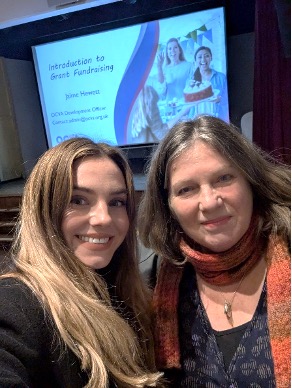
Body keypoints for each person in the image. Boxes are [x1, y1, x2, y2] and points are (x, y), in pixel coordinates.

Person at [138, 116, 291, 386]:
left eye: (223, 178)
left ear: (250, 181)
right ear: (168, 205)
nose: (209, 202)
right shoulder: (155, 283)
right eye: (186, 189)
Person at [0, 137, 164, 387]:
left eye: (116, 202)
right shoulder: (16, 303)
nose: (103, 218)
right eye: (78, 200)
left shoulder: (125, 294)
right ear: (44, 209)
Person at [188, 46, 229, 121]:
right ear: (195, 60)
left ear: (211, 58)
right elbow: (187, 102)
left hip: (217, 119)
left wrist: (220, 99)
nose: (203, 59)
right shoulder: (191, 79)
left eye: (206, 56)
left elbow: (227, 99)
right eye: (199, 57)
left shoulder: (221, 77)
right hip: (196, 120)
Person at [156, 38, 192, 102]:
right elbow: (162, 92)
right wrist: (159, 67)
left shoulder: (189, 66)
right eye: (169, 48)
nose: (172, 50)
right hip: (170, 108)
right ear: (167, 52)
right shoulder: (165, 69)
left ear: (179, 50)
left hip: (186, 106)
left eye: (175, 47)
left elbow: (194, 87)